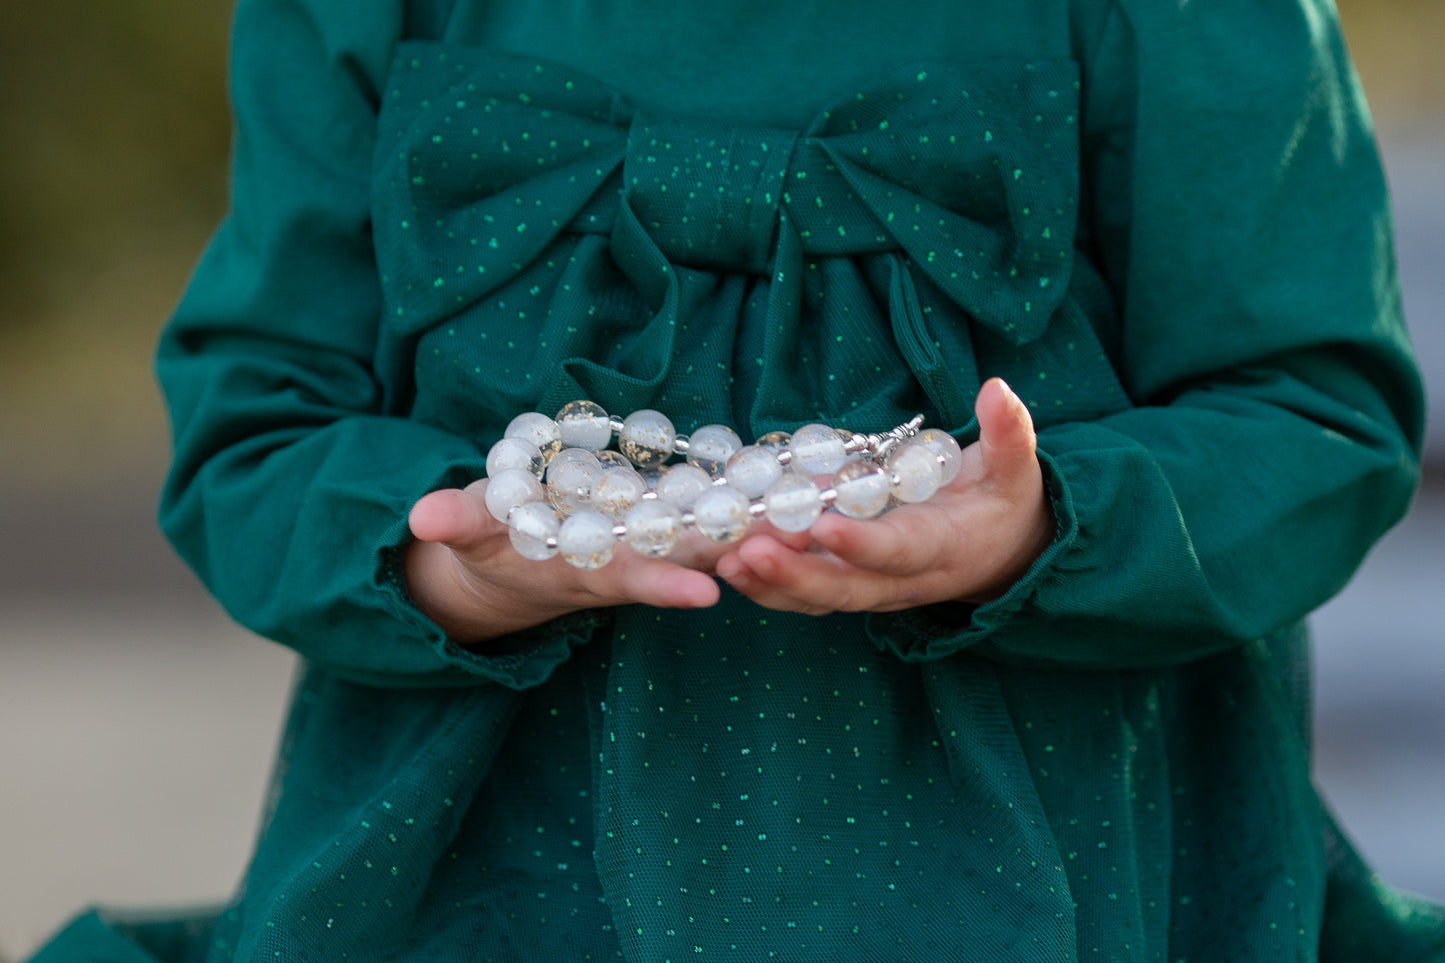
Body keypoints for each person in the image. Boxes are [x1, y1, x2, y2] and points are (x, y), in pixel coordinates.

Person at [28, 0, 1445, 960]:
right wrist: (449, 560)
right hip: (477, 889)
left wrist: (1043, 521)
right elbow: (252, 431)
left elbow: (1313, 421)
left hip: (1052, 885)